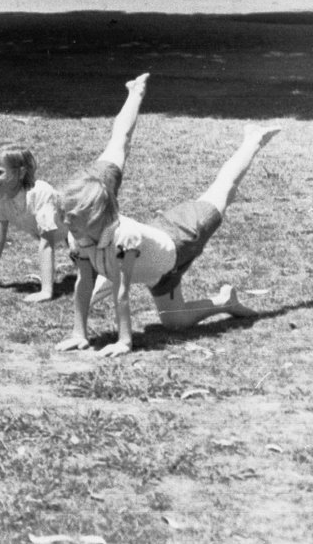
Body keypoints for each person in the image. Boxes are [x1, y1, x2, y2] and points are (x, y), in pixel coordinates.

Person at [54, 79, 278, 355]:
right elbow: (83, 282)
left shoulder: (123, 236)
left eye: (73, 217)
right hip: (155, 268)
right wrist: (79, 333)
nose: (65, 223)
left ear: (96, 215)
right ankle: (225, 302)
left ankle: (253, 139)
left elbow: (122, 293)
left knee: (223, 189)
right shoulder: (79, 235)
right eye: (65, 215)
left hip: (181, 238)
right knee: (175, 322)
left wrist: (124, 341)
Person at [0, 143, 69, 302]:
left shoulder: (40, 194)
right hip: (66, 234)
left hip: (81, 227)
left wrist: (46, 291)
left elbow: (47, 243)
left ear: (21, 173)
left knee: (93, 260)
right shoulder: (1, 195)